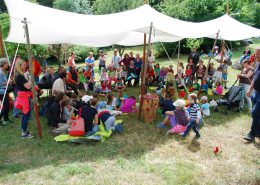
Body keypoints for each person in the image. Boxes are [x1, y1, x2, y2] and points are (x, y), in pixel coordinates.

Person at [14, 59, 34, 138]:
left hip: (24, 96)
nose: (25, 66)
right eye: (23, 65)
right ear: (19, 66)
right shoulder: (20, 76)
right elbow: (28, 86)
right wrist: (30, 81)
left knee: (26, 114)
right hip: (24, 97)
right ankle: (24, 133)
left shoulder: (18, 74)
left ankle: (24, 130)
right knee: (26, 114)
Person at [243, 47, 260, 142]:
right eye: (256, 54)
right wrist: (250, 89)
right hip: (255, 92)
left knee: (255, 113)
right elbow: (255, 78)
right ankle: (258, 132)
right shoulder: (258, 64)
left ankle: (252, 134)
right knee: (258, 114)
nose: (256, 56)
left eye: (258, 54)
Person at [0, 58, 12, 126]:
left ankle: (6, 119)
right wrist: (8, 82)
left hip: (4, 91)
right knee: (5, 106)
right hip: (1, 92)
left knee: (7, 105)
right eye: (7, 63)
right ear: (3, 64)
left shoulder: (3, 71)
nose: (8, 64)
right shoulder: (0, 72)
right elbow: (1, 84)